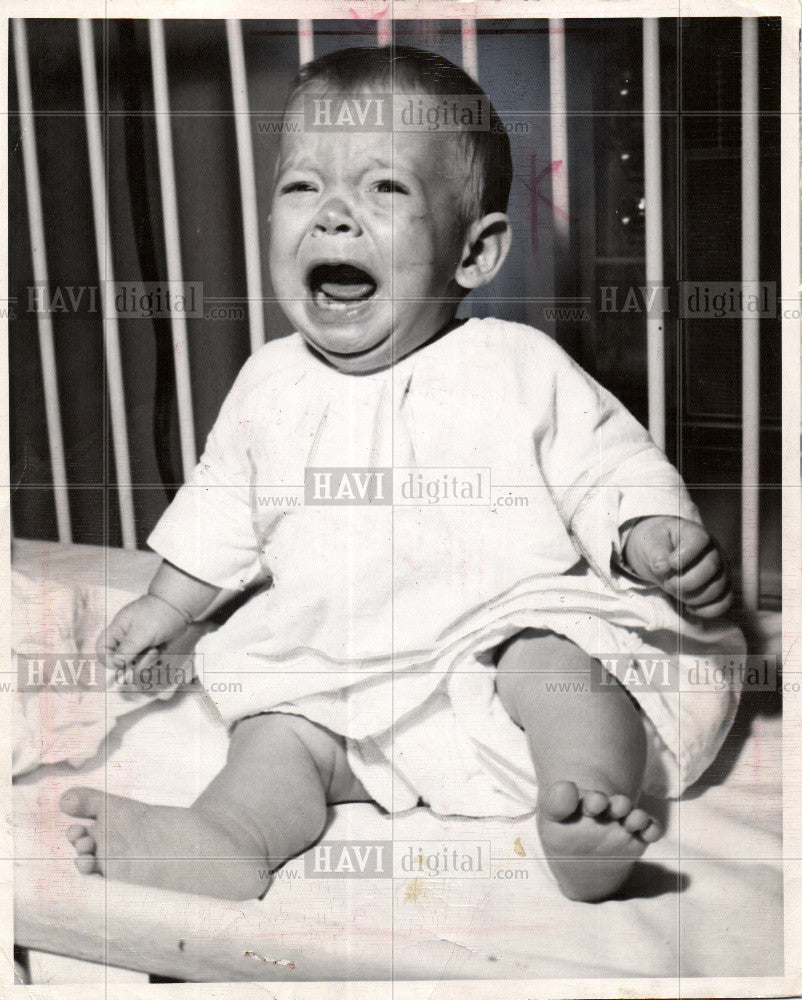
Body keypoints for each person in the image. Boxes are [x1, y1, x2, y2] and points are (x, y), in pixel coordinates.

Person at [60, 45, 741, 903]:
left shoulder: (515, 364)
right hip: (344, 682)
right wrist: (167, 604)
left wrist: (643, 534)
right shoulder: (269, 383)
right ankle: (229, 836)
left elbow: (607, 462)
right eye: (302, 187)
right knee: (274, 730)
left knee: (559, 663)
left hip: (497, 662)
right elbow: (220, 506)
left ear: (476, 252)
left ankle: (584, 810)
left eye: (384, 189)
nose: (333, 218)